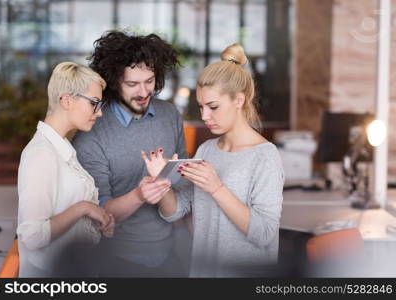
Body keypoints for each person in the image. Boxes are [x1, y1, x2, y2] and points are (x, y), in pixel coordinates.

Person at [142, 43, 285, 277]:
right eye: (201, 107)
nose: (204, 116)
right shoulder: (206, 150)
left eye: (213, 107)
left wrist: (216, 188)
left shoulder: (265, 156)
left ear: (239, 100)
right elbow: (175, 211)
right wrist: (162, 182)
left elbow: (265, 233)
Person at [72, 30, 188, 277]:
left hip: (170, 256)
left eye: (150, 81)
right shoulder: (93, 131)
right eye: (132, 84)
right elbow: (96, 215)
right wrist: (139, 195)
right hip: (114, 262)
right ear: (114, 82)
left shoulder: (169, 115)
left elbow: (183, 187)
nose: (144, 92)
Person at [17, 62, 115, 277]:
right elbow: (32, 235)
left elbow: (66, 214)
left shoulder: (62, 148)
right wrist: (84, 208)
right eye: (94, 103)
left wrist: (95, 222)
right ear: (67, 100)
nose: (99, 113)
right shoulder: (41, 154)